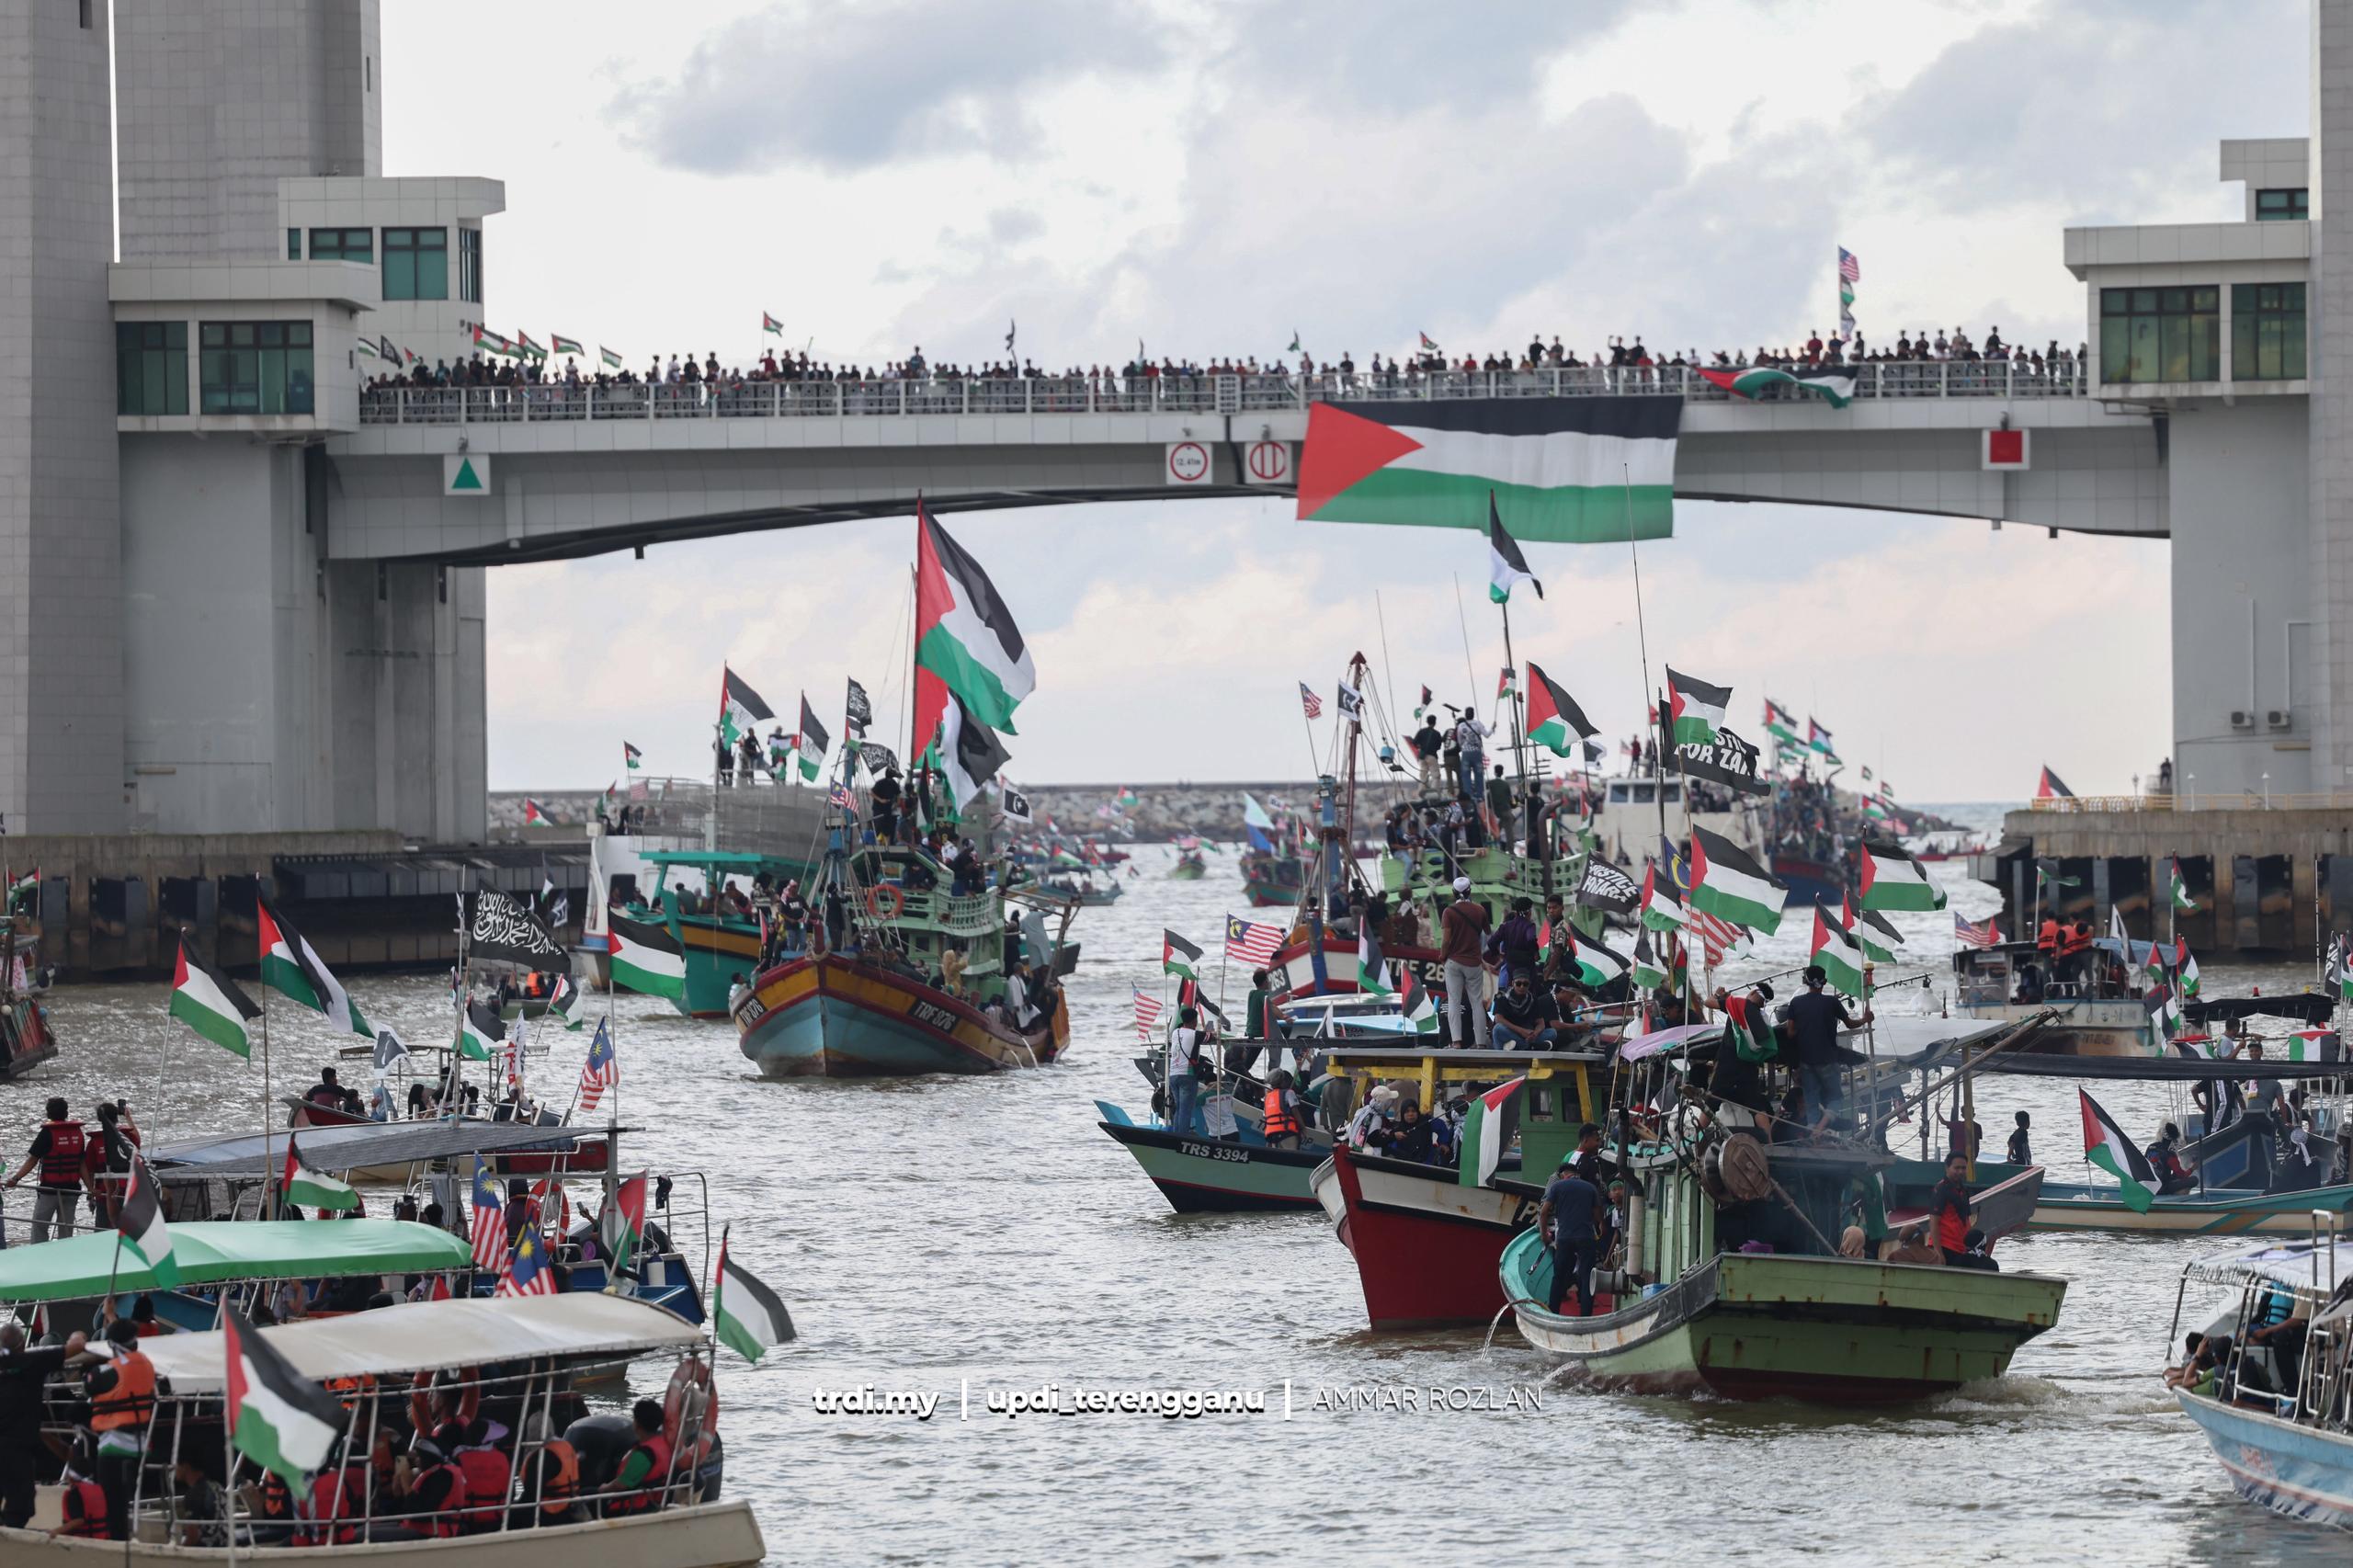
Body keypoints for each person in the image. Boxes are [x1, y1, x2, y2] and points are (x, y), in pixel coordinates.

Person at [0, 1321, 88, 1528]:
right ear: (22, 1344)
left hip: (11, 1444)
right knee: (20, 1504)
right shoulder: (33, 1360)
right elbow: (78, 1344)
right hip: (17, 1447)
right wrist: (77, 1332)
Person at [85, 1315, 160, 1540]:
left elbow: (89, 1384)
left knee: (111, 1501)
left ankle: (117, 1542)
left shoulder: (109, 1371)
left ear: (111, 1344)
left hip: (113, 1445)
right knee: (128, 1499)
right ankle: (126, 1536)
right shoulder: (147, 1364)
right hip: (140, 1445)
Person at [1785, 965, 1870, 1125]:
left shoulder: (1796, 1002)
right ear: (1824, 982)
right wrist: (1866, 1019)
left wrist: (1804, 1027)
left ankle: (1813, 1132)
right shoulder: (1832, 1002)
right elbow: (1851, 1024)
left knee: (1811, 1100)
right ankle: (1820, 1129)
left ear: (1805, 981)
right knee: (1836, 1097)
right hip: (1828, 1060)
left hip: (1806, 1060)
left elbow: (1790, 1033)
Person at [5, 1096, 89, 1243]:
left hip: (50, 1190)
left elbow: (32, 1160)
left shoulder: (47, 1133)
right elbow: (82, 1163)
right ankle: (65, 1256)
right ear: (66, 1113)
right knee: (66, 1229)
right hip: (72, 1190)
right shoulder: (78, 1133)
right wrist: (90, 1188)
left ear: (48, 1113)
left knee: (40, 1226)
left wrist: (15, 1179)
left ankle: (39, 1257)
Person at [1539, 1155, 1602, 1315]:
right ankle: (1586, 1315)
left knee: (1558, 1277)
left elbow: (1544, 1211)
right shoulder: (1589, 1188)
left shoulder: (1557, 1187)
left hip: (1564, 1238)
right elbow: (1598, 1215)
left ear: (1562, 1175)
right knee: (1587, 1276)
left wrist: (1544, 1234)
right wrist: (1600, 1227)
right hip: (1586, 1237)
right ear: (1576, 1174)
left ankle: (1553, 1313)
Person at [1439, 879, 1491, 1048]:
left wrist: (1442, 956)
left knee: (1453, 1001)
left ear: (1454, 892)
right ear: (1470, 891)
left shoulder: (1449, 912)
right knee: (1476, 1002)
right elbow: (1488, 932)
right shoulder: (1480, 910)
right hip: (1474, 963)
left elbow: (1446, 940)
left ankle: (1456, 1042)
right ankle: (1481, 1043)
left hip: (1453, 961)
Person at [605, 1398, 676, 1516]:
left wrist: (603, 1488)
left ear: (637, 1424)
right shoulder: (665, 1443)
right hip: (656, 1501)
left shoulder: (644, 1454)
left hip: (635, 1508)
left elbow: (621, 1485)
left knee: (588, 1493)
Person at [1929, 1153, 1994, 1271]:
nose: (1960, 1172)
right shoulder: (1941, 1189)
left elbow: (1966, 1221)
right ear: (1947, 1168)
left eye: (1963, 1168)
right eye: (1956, 1168)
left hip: (1960, 1248)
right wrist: (1938, 1253)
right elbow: (1933, 1223)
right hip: (1945, 1246)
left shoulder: (1963, 1190)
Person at [1489, 971, 1559, 1050]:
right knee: (1498, 1029)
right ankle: (1529, 1046)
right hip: (1509, 1032)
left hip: (1527, 1034)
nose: (1522, 987)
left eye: (1525, 984)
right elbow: (1499, 1020)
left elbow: (1541, 1023)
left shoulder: (1533, 999)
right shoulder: (1501, 996)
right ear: (1513, 983)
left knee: (1552, 1033)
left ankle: (1518, 1045)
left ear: (1529, 985)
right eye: (1518, 984)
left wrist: (1534, 1034)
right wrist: (1521, 1031)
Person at [1165, 1006, 1207, 1136]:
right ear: (1195, 1021)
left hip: (1173, 1075)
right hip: (1187, 1076)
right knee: (1186, 1110)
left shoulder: (1175, 1032)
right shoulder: (1196, 1034)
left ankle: (1176, 1133)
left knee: (1179, 1108)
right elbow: (1210, 1036)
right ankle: (1181, 1137)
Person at [1261, 1069, 1305, 1151]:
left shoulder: (1267, 1097)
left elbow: (1265, 1116)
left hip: (1272, 1134)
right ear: (1282, 1080)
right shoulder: (1289, 1093)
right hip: (1287, 1132)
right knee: (1291, 1157)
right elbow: (1295, 1112)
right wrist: (1303, 1128)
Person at [1410, 715, 1445, 794]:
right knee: (1436, 776)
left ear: (1427, 722)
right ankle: (1433, 792)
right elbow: (1439, 747)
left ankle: (1421, 792)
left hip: (1422, 757)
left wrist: (1420, 746)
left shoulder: (1421, 731)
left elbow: (1414, 742)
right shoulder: (1437, 734)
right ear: (1435, 722)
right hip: (1432, 756)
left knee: (1423, 775)